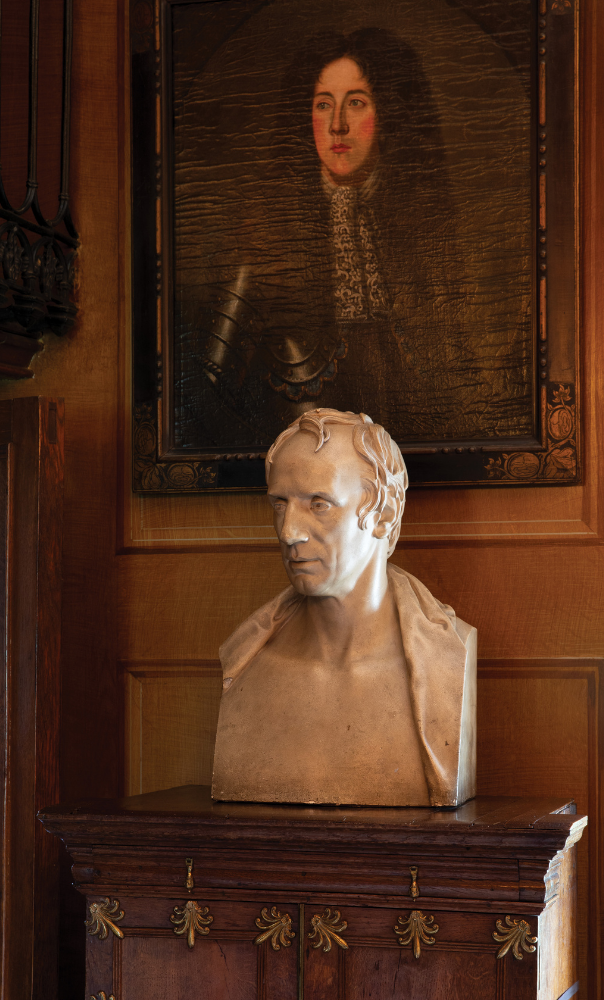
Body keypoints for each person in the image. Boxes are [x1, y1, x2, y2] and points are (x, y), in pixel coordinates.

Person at [178, 29, 465, 450]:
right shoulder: (265, 232)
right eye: (323, 104)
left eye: (356, 102)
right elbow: (207, 387)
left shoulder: (419, 228)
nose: (338, 125)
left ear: (386, 113)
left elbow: (453, 378)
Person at [210, 409, 476, 806]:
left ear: (383, 514)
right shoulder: (247, 658)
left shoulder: (447, 656)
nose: (289, 533)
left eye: (319, 504)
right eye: (280, 504)